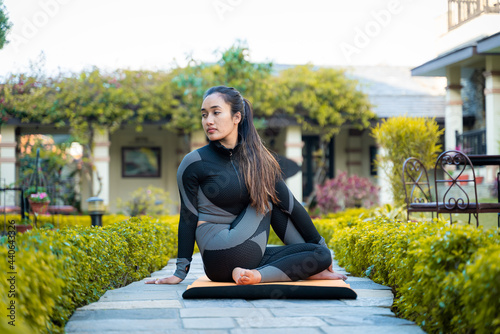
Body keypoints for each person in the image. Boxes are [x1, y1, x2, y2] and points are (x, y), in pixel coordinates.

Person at [146, 86, 347, 285]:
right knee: (269, 199)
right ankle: (290, 269)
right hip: (218, 250)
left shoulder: (257, 161)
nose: (208, 121)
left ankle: (252, 274)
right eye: (204, 115)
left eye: (216, 113)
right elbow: (188, 217)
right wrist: (180, 272)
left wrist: (319, 253)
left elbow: (292, 207)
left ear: (237, 117)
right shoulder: (194, 163)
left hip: (233, 261)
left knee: (319, 254)